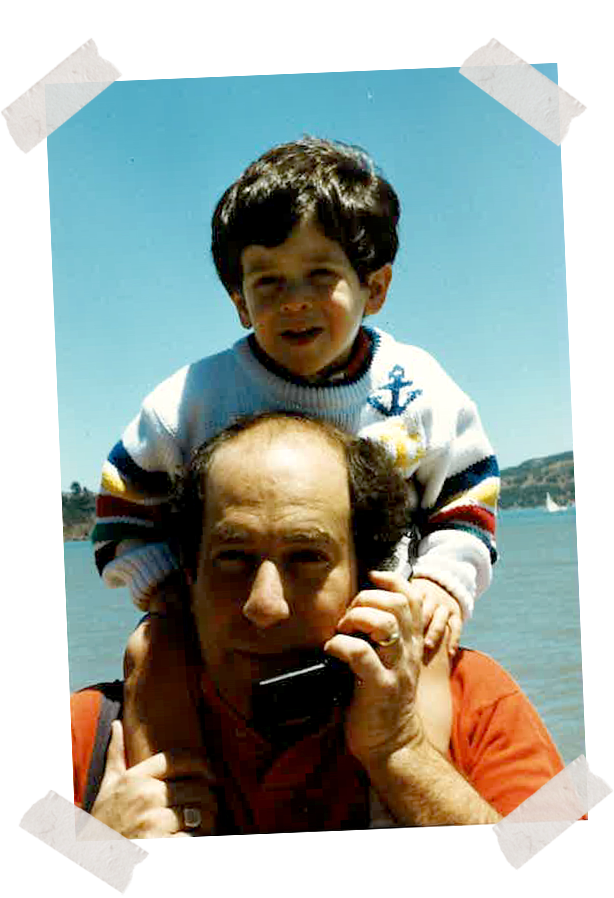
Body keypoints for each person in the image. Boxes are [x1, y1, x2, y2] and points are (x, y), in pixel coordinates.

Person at [91, 136, 500, 769]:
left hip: (381, 605)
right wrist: (158, 580)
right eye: (268, 281)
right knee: (151, 652)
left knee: (424, 656)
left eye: (321, 275)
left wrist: (443, 579)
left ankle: (407, 804)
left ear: (377, 285)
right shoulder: (196, 397)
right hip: (237, 617)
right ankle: (174, 806)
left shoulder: (419, 389)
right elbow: (122, 499)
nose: (296, 300)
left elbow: (467, 493)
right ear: (238, 299)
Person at [76, 413, 562, 839]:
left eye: (307, 557)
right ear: (188, 575)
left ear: (367, 578)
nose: (265, 605)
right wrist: (89, 866)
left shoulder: (475, 703)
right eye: (233, 558)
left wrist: (403, 754)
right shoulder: (91, 738)